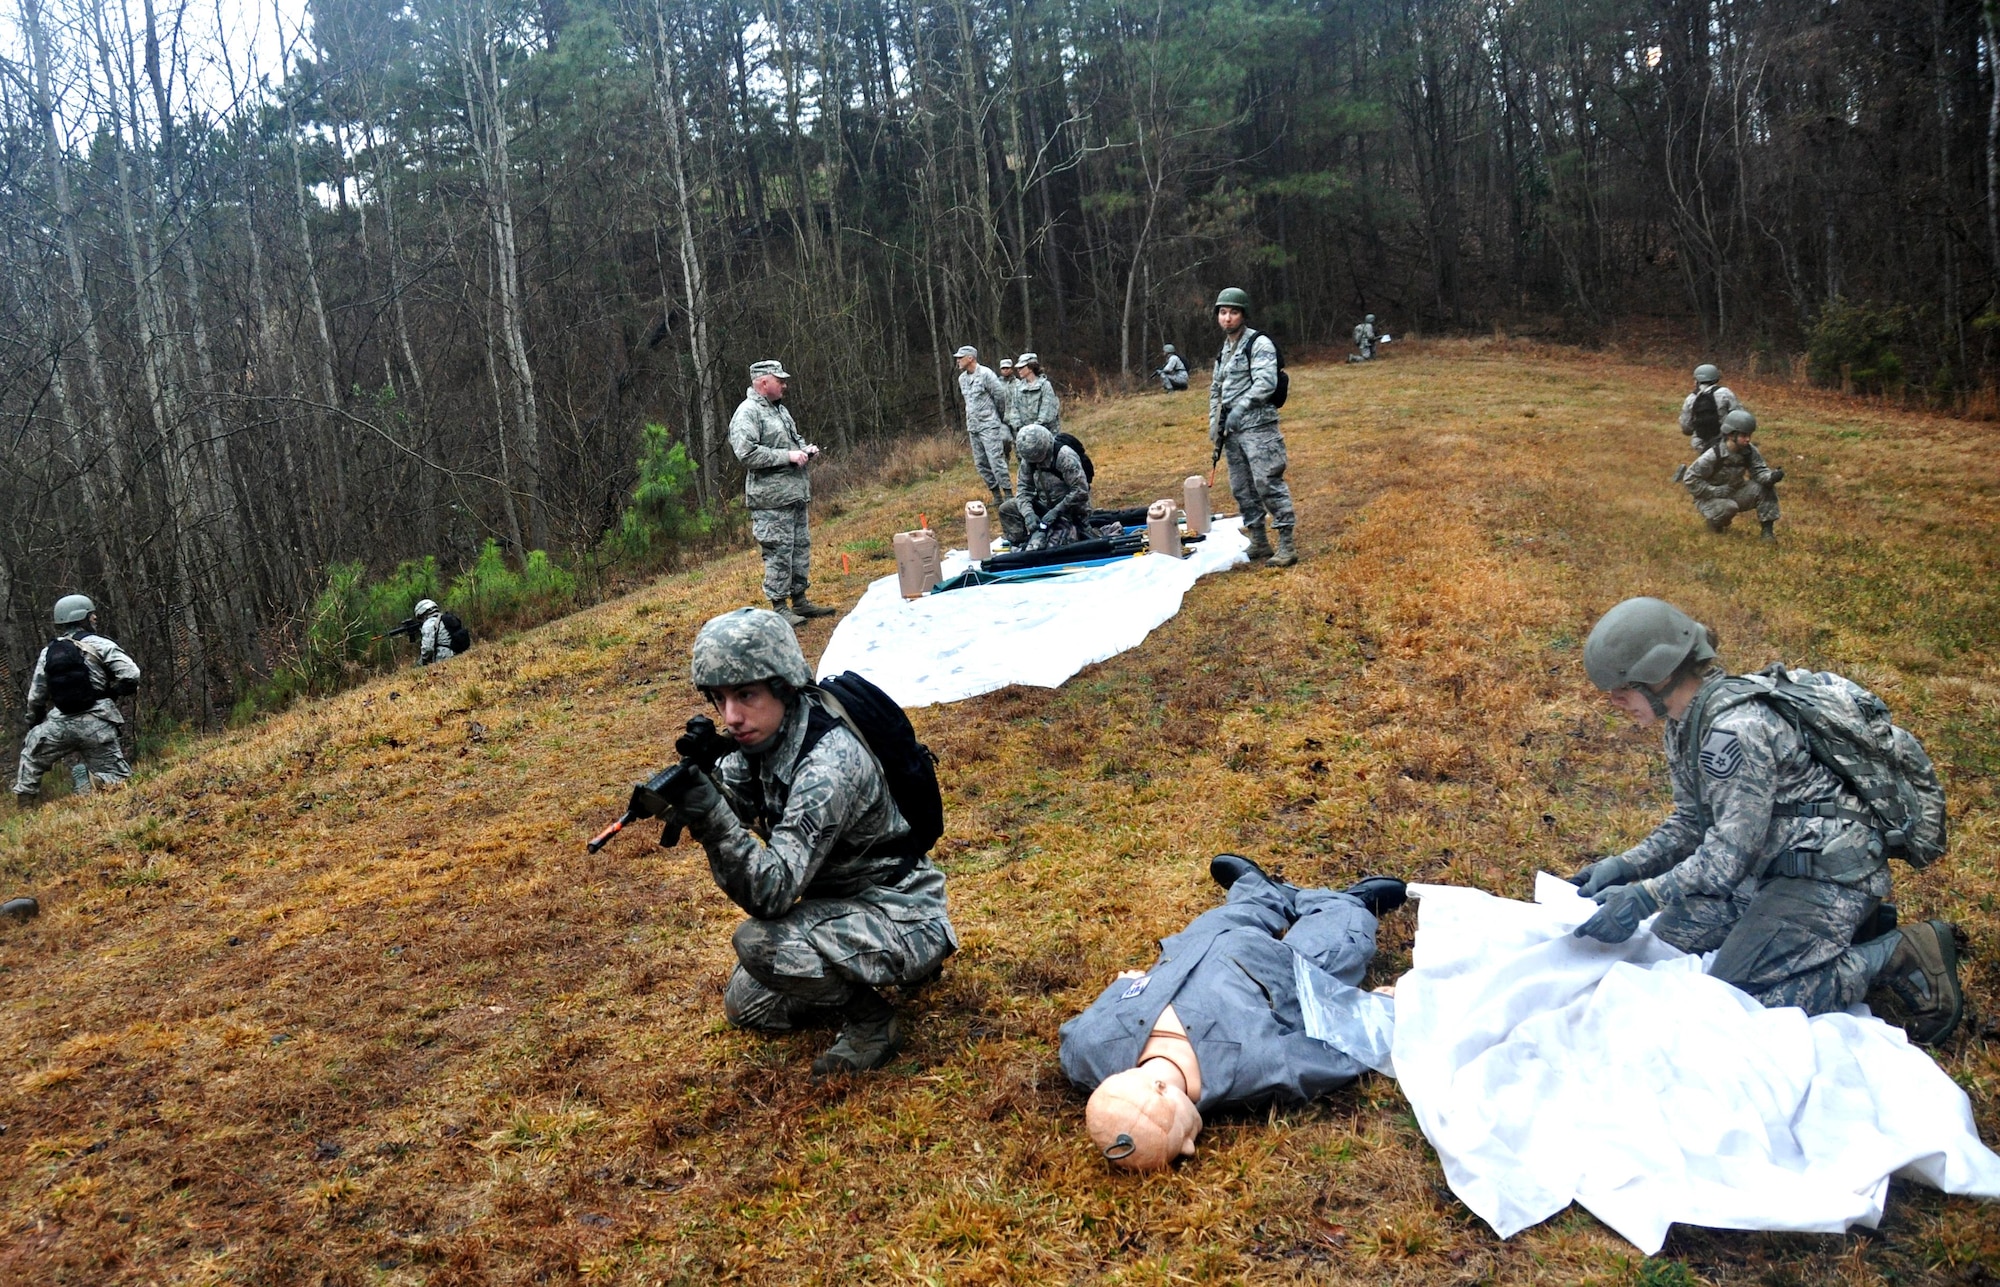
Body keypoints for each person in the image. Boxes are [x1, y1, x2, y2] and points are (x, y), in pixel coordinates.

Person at [1573, 597, 1964, 1045]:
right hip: (1771, 869)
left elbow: (1727, 856)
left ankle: (1902, 954)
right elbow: (1690, 823)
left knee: (1738, 997)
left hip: (1827, 873)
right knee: (1669, 939)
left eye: (1623, 686)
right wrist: (1627, 865)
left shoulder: (1734, 730)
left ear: (1661, 673)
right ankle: (1840, 931)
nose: (1614, 700)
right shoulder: (1684, 724)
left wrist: (1646, 894)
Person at [649, 608, 958, 1074]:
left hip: (898, 907)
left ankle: (873, 1022)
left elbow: (771, 893)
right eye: (719, 698)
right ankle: (857, 969)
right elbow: (735, 798)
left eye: (746, 695)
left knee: (761, 944)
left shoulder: (827, 764)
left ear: (784, 686)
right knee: (746, 1005)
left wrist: (712, 819)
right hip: (836, 903)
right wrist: (700, 796)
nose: (731, 716)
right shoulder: (765, 738)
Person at [1061, 855, 1407, 1170]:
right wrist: (1379, 1012)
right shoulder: (1248, 1068)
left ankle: (1259, 891)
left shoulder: (1089, 1051)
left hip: (1194, 950)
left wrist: (1124, 986)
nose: (1190, 1147)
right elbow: (1328, 1058)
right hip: (1280, 972)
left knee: (1223, 918)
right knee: (1335, 944)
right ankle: (1345, 905)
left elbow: (1087, 1023)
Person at [729, 359, 834, 627]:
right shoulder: (747, 413)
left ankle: (800, 599)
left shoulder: (780, 411)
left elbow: (793, 440)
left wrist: (804, 449)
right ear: (764, 382)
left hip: (794, 493)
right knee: (778, 551)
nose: (785, 384)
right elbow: (746, 453)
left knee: (799, 548)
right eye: (780, 380)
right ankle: (779, 606)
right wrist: (786, 456)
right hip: (770, 501)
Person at [13, 594, 140, 804]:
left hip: (59, 724)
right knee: (118, 782)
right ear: (83, 618)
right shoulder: (100, 644)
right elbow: (131, 674)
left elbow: (36, 697)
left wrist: (34, 724)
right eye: (92, 615)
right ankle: (95, 785)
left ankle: (25, 807)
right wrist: (113, 692)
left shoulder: (48, 652)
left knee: (31, 756)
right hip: (97, 723)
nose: (95, 618)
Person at [1209, 288, 1298, 567]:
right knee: (1242, 488)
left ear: (1243, 315)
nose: (1227, 318)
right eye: (1223, 312)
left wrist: (1241, 408)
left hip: (1259, 427)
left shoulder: (1259, 344)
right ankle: (1259, 539)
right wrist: (1216, 423)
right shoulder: (1224, 350)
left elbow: (1265, 383)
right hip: (1232, 432)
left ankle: (1286, 543)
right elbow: (1216, 389)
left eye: (1233, 312)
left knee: (1267, 482)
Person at [1684, 409, 1782, 540]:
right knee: (1729, 507)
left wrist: (1771, 477)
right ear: (1731, 435)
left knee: (1766, 488)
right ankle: (1715, 523)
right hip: (1709, 498)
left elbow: (1759, 470)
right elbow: (1690, 479)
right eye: (1743, 435)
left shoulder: (1749, 451)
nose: (1748, 439)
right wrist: (1715, 491)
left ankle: (1767, 532)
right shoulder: (1713, 455)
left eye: (1749, 435)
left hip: (1735, 492)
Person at [1000, 425, 1090, 552]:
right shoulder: (1029, 460)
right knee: (1007, 508)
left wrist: (1056, 511)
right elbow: (1023, 490)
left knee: (1058, 544)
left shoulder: (1065, 456)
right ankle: (1021, 543)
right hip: (1043, 506)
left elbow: (1080, 491)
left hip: (1069, 510)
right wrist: (1028, 514)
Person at [954, 345, 1015, 506]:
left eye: (961, 357)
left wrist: (997, 418)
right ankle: (996, 495)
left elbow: (999, 396)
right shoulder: (962, 379)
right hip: (973, 426)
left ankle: (1008, 494)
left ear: (970, 358)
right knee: (980, 463)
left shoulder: (986, 374)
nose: (958, 361)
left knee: (996, 460)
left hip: (989, 424)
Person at [1678, 363, 1740, 460]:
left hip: (1701, 444)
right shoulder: (1725, 393)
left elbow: (1686, 427)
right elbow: (1739, 416)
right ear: (1716, 378)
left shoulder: (1690, 399)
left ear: (1697, 381)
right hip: (1725, 441)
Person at [1006, 352, 1060, 439]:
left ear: (1030, 368)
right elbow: (1014, 411)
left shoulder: (1045, 386)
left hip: (1044, 434)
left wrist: (1033, 430)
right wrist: (1020, 429)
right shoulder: (1018, 388)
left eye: (1021, 367)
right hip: (1024, 436)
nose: (1018, 370)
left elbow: (1046, 413)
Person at [413, 598, 456, 665]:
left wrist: (420, 663)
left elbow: (428, 649)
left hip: (444, 657)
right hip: (455, 653)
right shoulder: (442, 618)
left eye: (420, 618)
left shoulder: (428, 623)